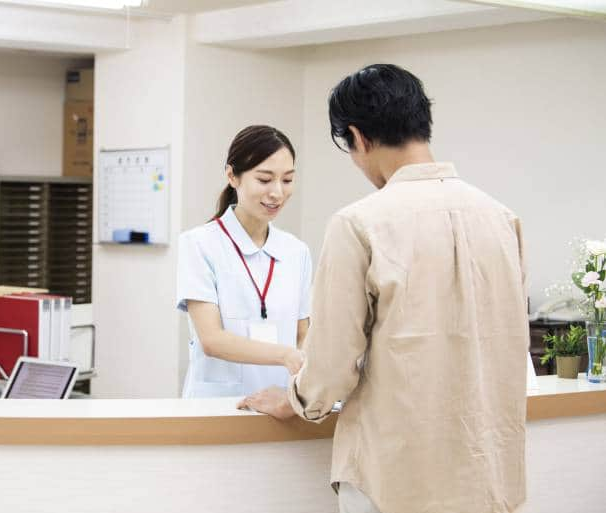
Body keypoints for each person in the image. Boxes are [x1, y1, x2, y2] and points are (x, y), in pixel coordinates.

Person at [239, 64, 528, 513]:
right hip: (488, 475)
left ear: (358, 137)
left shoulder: (359, 224)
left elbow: (332, 361)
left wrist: (295, 401)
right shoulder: (502, 218)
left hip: (396, 476)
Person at [176, 125, 312, 398]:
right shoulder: (200, 244)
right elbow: (212, 340)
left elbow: (303, 334)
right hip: (217, 407)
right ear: (232, 176)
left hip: (280, 404)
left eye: (287, 180)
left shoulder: (297, 251)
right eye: (264, 180)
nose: (277, 192)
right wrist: (286, 355)